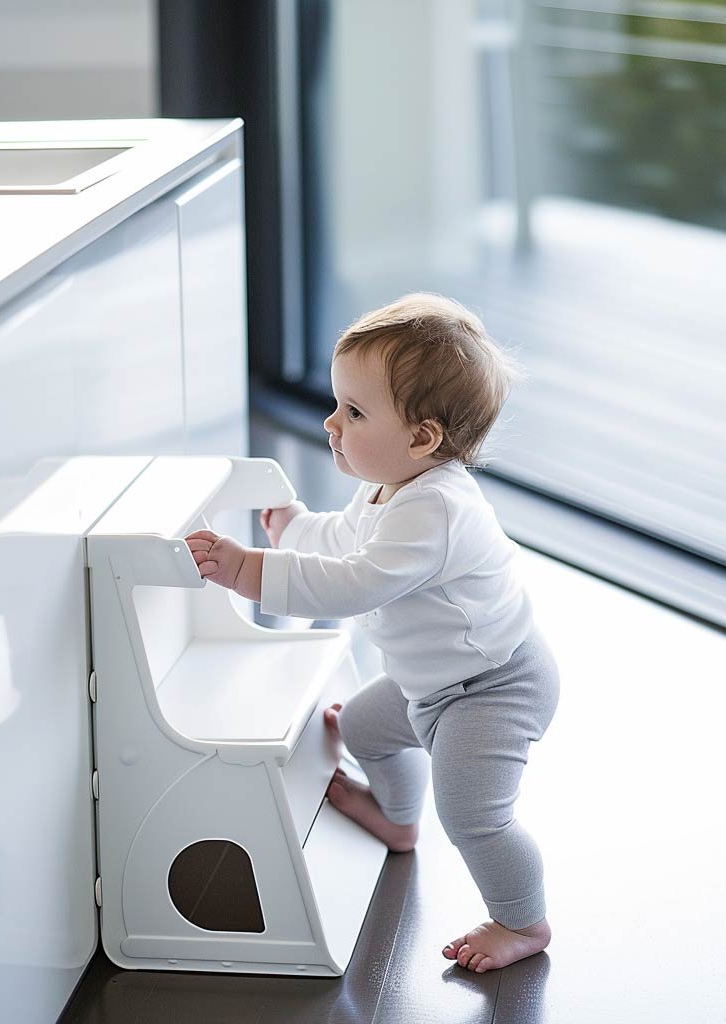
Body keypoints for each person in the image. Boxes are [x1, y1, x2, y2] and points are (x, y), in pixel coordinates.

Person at [185, 293, 560, 973]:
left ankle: (522, 921)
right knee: (359, 726)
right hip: (435, 681)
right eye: (337, 404)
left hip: (492, 690)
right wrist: (296, 529)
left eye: (354, 413)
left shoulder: (437, 512)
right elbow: (349, 535)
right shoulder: (390, 487)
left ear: (422, 438)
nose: (332, 422)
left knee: (475, 816)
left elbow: (355, 581)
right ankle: (397, 817)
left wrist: (248, 570)